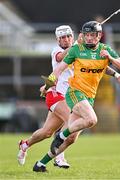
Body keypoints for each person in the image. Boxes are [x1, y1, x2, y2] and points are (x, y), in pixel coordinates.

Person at [33, 21, 120, 172]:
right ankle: (61, 135)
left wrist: (113, 64)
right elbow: (58, 69)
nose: (89, 38)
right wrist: (46, 86)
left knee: (72, 139)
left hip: (89, 97)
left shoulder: (105, 50)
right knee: (91, 120)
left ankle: (40, 163)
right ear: (83, 36)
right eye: (87, 35)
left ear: (99, 36)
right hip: (74, 93)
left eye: (92, 35)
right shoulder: (76, 49)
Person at [17, 25, 79, 169]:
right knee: (71, 122)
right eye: (62, 37)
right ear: (57, 40)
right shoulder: (56, 51)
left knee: (46, 132)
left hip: (69, 97)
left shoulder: (78, 50)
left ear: (73, 37)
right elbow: (62, 57)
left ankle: (24, 145)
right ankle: (58, 157)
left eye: (68, 36)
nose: (66, 39)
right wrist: (77, 45)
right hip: (55, 95)